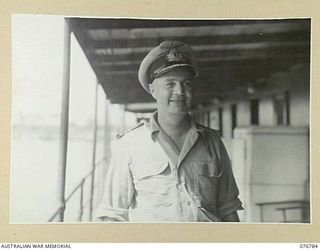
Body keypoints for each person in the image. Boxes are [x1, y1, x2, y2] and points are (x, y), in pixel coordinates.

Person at [96, 41, 243, 222]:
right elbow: (112, 215)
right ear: (153, 90)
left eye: (186, 84)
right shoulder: (129, 144)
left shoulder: (212, 141)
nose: (179, 91)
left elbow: (228, 209)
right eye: (170, 84)